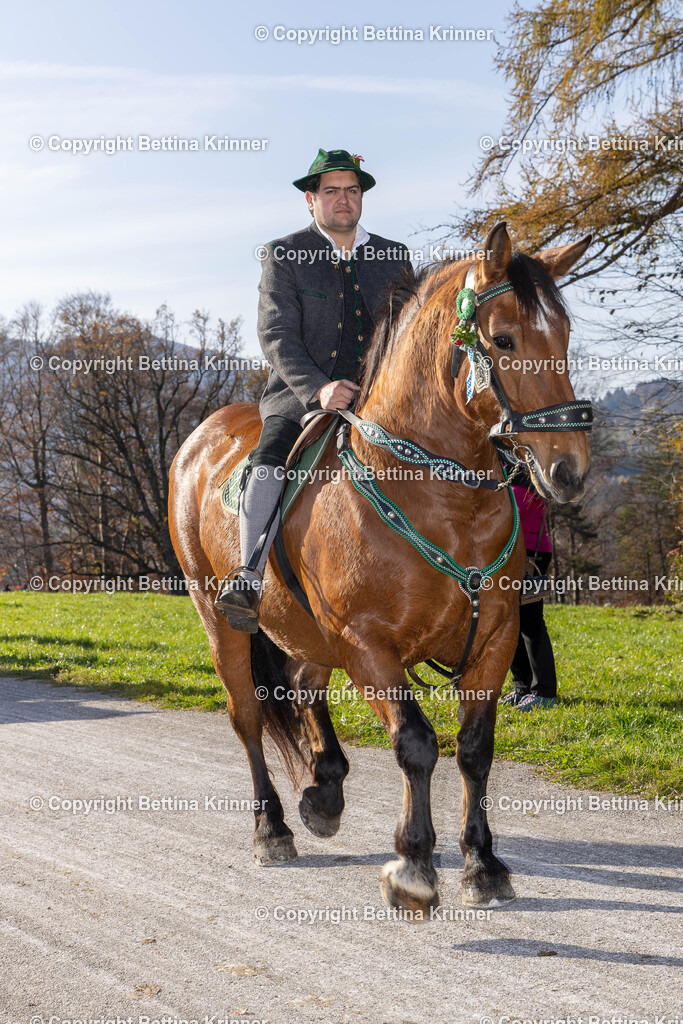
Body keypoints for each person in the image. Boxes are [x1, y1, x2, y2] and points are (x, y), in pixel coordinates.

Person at [215, 148, 413, 631]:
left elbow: (411, 333)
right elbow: (276, 335)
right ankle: (248, 573)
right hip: (302, 398)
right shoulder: (284, 254)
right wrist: (320, 390)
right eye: (331, 192)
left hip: (383, 399)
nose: (343, 200)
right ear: (311, 200)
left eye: (352, 191)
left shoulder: (394, 256)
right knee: (269, 459)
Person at [500, 468, 558, 710]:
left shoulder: (532, 474)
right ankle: (522, 688)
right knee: (509, 622)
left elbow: (517, 511)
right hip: (504, 554)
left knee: (531, 622)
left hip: (531, 555)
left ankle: (544, 692)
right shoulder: (502, 469)